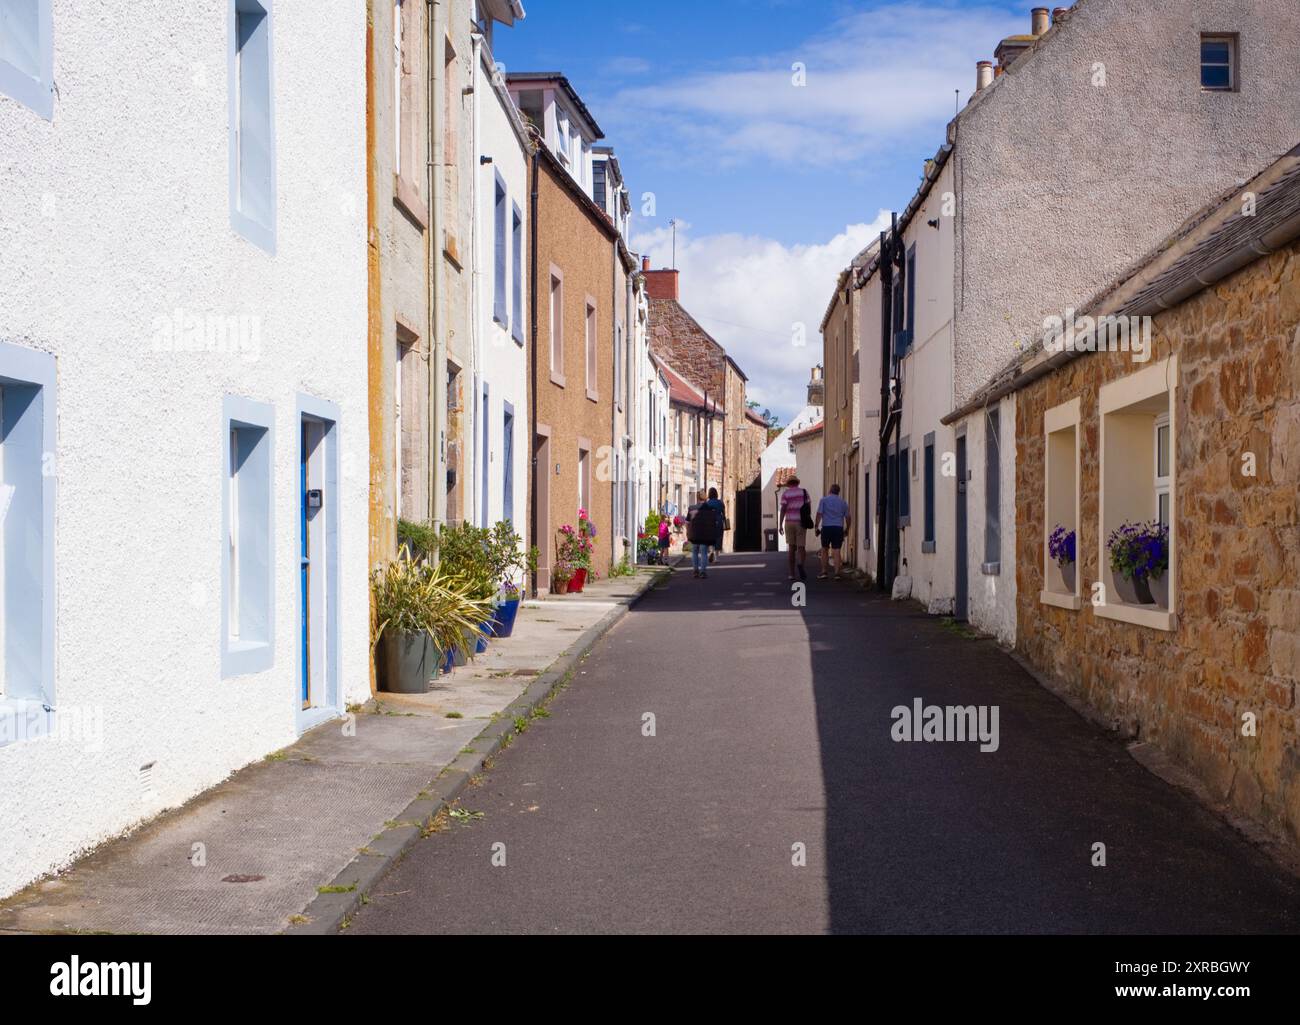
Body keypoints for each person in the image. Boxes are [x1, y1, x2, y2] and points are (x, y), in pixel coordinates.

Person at [815, 483, 852, 580]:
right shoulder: (843, 502)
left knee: (824, 549)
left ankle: (824, 571)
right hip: (838, 528)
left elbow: (819, 514)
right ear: (838, 492)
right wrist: (847, 529)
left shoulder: (823, 500)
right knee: (837, 550)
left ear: (830, 491)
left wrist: (816, 527)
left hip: (826, 527)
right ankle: (837, 573)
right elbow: (848, 517)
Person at [686, 488, 724, 578]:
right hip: (705, 534)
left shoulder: (691, 508)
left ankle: (695, 570)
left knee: (695, 552)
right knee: (703, 552)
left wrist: (688, 533)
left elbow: (687, 522)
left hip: (695, 533)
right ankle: (703, 571)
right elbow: (714, 522)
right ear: (705, 497)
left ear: (697, 497)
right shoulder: (710, 509)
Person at [779, 476, 810, 581]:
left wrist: (780, 524)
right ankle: (801, 564)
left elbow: (783, 509)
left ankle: (792, 574)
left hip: (789, 522)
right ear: (797, 483)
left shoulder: (785, 494)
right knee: (801, 547)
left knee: (791, 548)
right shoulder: (804, 492)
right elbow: (808, 506)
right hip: (801, 522)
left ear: (788, 484)